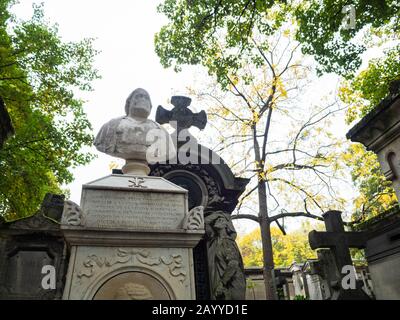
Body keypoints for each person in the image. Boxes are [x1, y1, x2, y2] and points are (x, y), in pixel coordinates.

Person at [94, 88, 175, 174]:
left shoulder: (161, 131)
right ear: (129, 103)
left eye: (146, 98)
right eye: (139, 96)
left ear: (151, 106)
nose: (143, 99)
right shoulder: (110, 126)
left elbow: (170, 152)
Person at [205, 211, 246, 300]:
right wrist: (219, 214)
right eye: (216, 220)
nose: (216, 221)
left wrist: (222, 283)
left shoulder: (228, 242)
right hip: (219, 283)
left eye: (220, 220)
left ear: (226, 225)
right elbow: (205, 221)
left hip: (232, 284)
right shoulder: (214, 240)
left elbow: (233, 264)